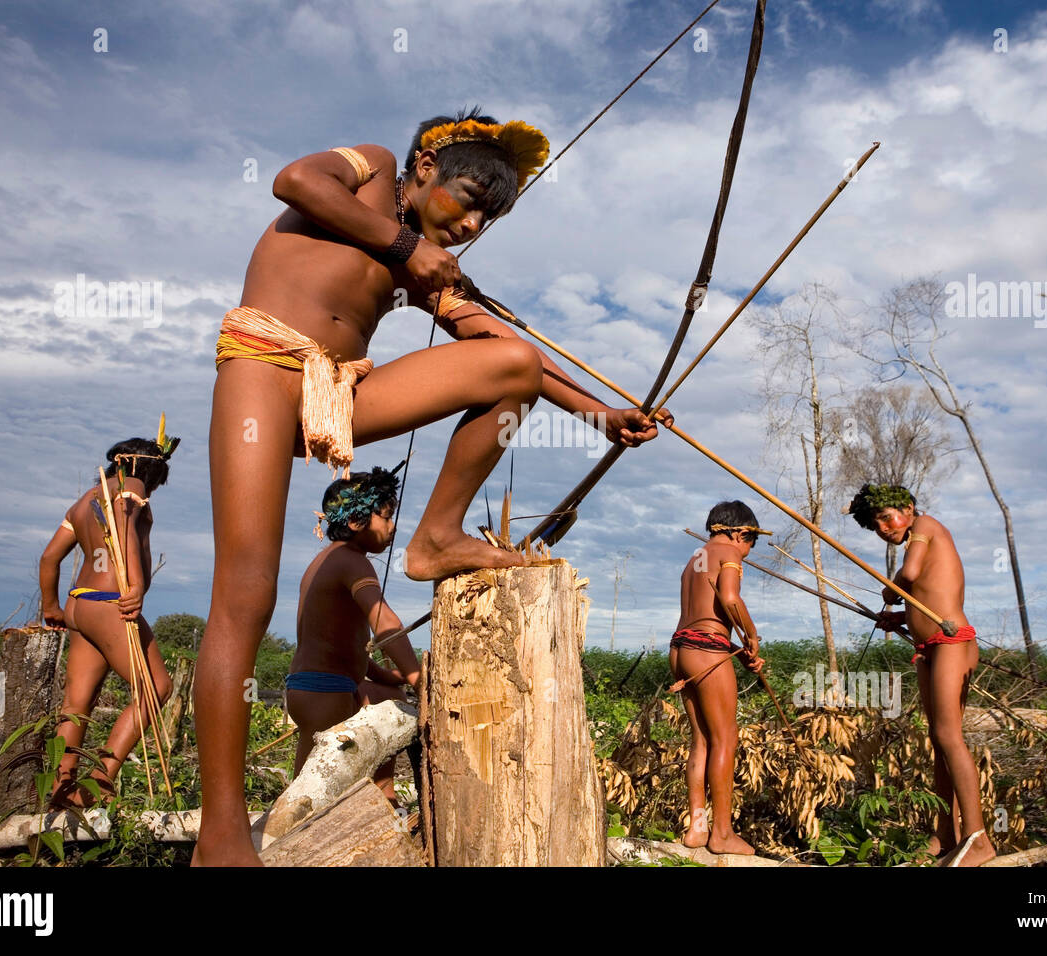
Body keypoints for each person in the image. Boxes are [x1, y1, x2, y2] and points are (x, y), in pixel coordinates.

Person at [195, 107, 673, 864]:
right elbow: (294, 180)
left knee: (510, 362)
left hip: (344, 393)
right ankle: (219, 830)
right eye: (467, 201)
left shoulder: (421, 271)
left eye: (490, 217)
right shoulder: (374, 167)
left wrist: (600, 414)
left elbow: (508, 351)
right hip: (263, 367)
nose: (474, 225)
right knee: (246, 592)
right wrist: (407, 245)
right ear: (424, 169)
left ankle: (437, 537)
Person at [848, 482, 995, 867]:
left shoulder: (926, 525)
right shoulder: (919, 534)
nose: (883, 527)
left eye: (885, 517)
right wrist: (898, 616)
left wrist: (889, 591)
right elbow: (925, 596)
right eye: (876, 523)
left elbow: (910, 573)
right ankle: (946, 835)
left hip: (953, 643)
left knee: (949, 735)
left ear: (909, 508)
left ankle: (978, 840)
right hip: (928, 648)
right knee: (937, 738)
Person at [38, 423, 179, 808]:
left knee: (77, 703)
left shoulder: (84, 501)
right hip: (110, 601)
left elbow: (50, 558)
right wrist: (134, 585)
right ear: (147, 472)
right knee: (156, 688)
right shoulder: (131, 488)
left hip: (79, 604)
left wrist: (51, 607)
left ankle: (60, 788)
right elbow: (123, 524)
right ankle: (99, 782)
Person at [287, 465, 421, 805]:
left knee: (389, 694)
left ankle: (383, 793)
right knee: (315, 798)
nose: (392, 528)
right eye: (386, 517)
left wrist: (390, 675)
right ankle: (301, 842)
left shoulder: (328, 560)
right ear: (356, 521)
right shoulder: (353, 562)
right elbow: (384, 620)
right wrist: (419, 678)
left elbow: (339, 643)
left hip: (310, 687)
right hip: (324, 691)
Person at [670, 501, 766, 855]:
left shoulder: (696, 557)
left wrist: (740, 652)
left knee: (702, 741)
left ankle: (697, 828)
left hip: (681, 647)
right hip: (707, 649)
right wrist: (752, 636)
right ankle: (722, 833)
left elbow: (706, 607)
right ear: (741, 533)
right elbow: (729, 597)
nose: (747, 552)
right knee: (725, 739)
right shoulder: (728, 552)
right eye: (750, 543)